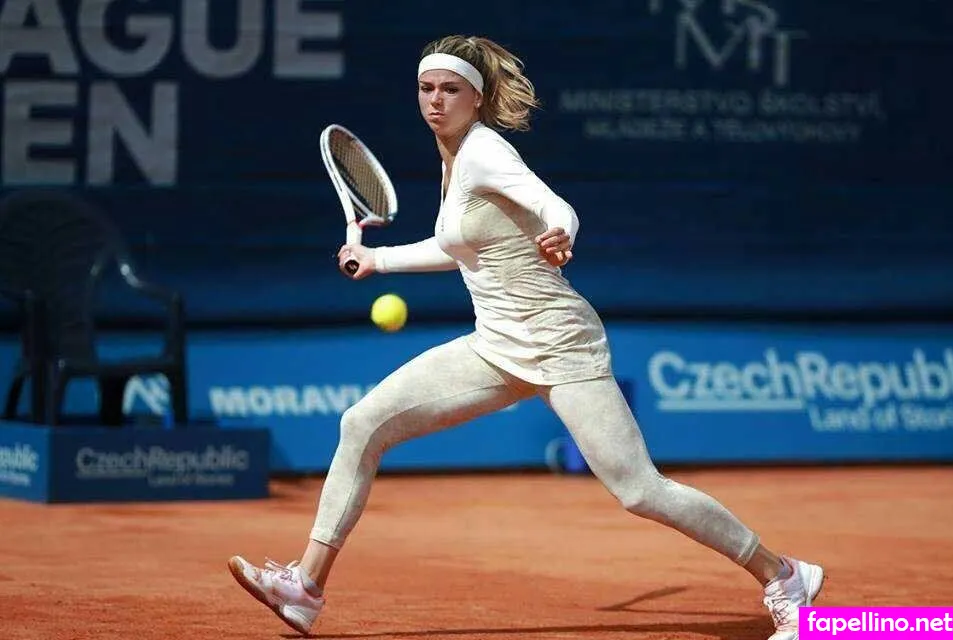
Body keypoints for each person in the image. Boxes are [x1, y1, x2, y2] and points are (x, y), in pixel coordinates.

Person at [228, 35, 825, 639]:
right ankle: (305, 586)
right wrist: (379, 260)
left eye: (450, 90)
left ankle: (783, 575)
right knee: (362, 423)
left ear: (476, 98)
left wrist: (561, 233)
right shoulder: (451, 159)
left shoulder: (485, 152)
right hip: (494, 348)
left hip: (560, 343)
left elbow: (555, 206)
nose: (436, 101)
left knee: (639, 491)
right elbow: (459, 246)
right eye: (426, 88)